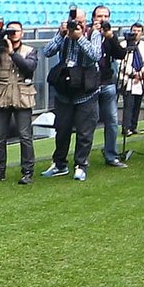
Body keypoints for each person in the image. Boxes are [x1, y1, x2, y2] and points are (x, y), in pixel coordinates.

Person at [41, 12, 101, 181]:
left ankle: (81, 165)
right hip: (65, 90)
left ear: (85, 21)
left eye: (80, 22)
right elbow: (47, 51)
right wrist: (61, 35)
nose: (76, 25)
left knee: (84, 131)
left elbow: (95, 56)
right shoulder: (64, 34)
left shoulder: (93, 34)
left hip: (86, 90)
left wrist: (80, 38)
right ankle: (59, 164)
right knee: (62, 129)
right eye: (73, 22)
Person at [0, 20, 37, 184]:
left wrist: (12, 53)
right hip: (2, 95)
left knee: (25, 135)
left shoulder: (30, 51)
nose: (13, 34)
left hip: (22, 96)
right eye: (10, 31)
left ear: (22, 33)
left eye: (16, 31)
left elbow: (29, 68)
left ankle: (27, 172)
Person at [88, 5, 129, 168]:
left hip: (107, 82)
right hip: (90, 84)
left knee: (112, 120)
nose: (103, 19)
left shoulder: (110, 35)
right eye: (99, 16)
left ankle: (111, 155)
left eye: (106, 16)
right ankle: (83, 157)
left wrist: (111, 37)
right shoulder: (87, 33)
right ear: (93, 18)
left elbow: (121, 54)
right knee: (89, 121)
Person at [119, 22, 144, 137]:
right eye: (134, 31)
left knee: (138, 103)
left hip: (141, 79)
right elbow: (121, 62)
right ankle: (126, 127)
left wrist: (141, 74)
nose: (136, 33)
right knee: (128, 104)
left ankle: (133, 126)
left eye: (138, 31)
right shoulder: (124, 45)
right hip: (128, 79)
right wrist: (132, 74)